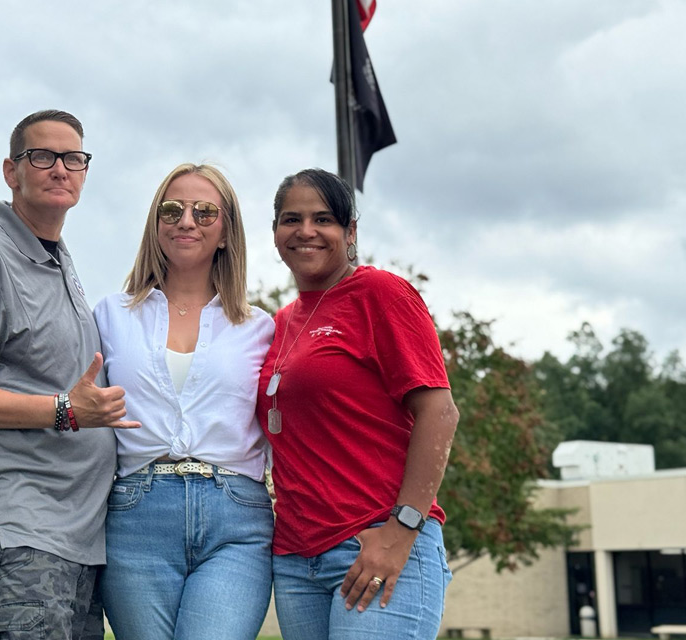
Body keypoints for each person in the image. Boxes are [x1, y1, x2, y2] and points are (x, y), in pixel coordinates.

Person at [0, 109, 139, 640]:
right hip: (21, 530)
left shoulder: (60, 261)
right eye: (41, 156)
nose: (59, 168)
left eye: (73, 158)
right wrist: (64, 410)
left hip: (78, 537)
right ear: (10, 170)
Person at [256, 168, 459, 640]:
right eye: (292, 219)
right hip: (295, 562)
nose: (306, 231)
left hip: (375, 542)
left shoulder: (380, 293)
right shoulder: (281, 322)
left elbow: (440, 412)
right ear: (275, 233)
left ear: (349, 233)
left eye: (323, 219)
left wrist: (401, 530)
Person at [93, 163, 275, 640]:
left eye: (205, 210)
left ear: (227, 231)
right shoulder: (111, 314)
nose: (187, 221)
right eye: (172, 209)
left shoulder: (261, 328)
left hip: (235, 518)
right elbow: (74, 393)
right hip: (135, 515)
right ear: (156, 225)